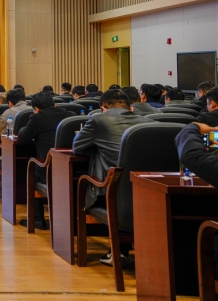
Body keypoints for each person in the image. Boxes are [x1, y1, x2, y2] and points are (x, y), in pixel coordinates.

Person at [72, 89, 153, 266]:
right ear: (130, 108)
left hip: (111, 192)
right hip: (148, 192)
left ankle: (118, 251)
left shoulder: (98, 120)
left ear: (103, 108)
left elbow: (77, 147)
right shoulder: (148, 123)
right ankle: (124, 250)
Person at [16, 91, 76, 229]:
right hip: (70, 166)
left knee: (30, 172)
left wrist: (23, 128)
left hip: (47, 168)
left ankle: (37, 219)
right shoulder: (70, 115)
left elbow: (23, 138)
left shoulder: (37, 118)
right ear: (54, 104)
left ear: (36, 108)